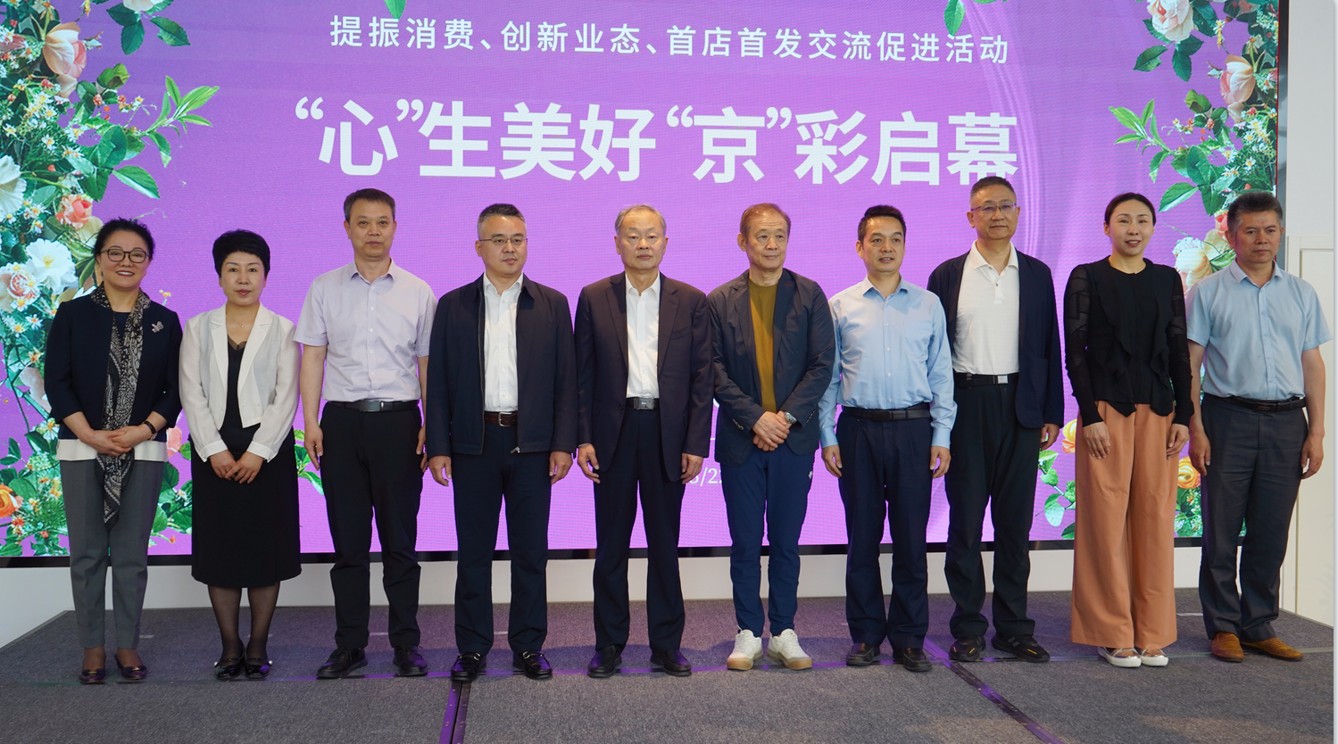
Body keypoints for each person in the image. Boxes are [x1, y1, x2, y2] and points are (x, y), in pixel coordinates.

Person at [426, 203, 577, 682]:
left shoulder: (552, 303)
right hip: (474, 444)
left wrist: (563, 443)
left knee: (531, 552)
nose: (509, 248)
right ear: (479, 248)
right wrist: (438, 445)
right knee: (474, 553)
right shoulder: (454, 305)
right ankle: (471, 648)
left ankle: (529, 645)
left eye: (517, 239)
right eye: (498, 240)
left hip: (532, 445)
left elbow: (566, 380)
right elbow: (438, 381)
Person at [296, 189, 435, 679]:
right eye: (363, 222)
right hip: (341, 423)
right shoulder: (324, 288)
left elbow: (426, 364)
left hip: (400, 424)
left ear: (395, 226)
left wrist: (431, 424)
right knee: (349, 545)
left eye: (382, 222)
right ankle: (349, 645)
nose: (373, 231)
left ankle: (406, 644)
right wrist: (310, 421)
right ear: (347, 228)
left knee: (401, 543)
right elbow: (313, 357)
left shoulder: (418, 291)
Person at [926, 176, 1063, 664]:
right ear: (971, 217)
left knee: (1014, 526)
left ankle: (1014, 628)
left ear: (1019, 213)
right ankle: (967, 627)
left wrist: (1051, 411)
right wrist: (937, 421)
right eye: (987, 207)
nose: (997, 215)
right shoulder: (947, 275)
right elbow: (934, 354)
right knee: (964, 525)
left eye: (1006, 206)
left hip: (1021, 409)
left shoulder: (1038, 274)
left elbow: (1049, 345)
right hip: (966, 406)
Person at [1188, 192, 1329, 663]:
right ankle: (1223, 626)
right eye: (1250, 231)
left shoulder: (1301, 293)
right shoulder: (1208, 292)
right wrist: (1196, 426)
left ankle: (1258, 623)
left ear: (1281, 233)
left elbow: (1312, 363)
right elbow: (1190, 364)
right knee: (1222, 529)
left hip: (1288, 422)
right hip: (1227, 418)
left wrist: (1316, 431)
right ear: (1231, 236)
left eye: (1269, 230)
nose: (1261, 239)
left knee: (1271, 530)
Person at [575, 205, 713, 679]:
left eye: (652, 235)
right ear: (617, 243)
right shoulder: (594, 297)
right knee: (611, 545)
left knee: (664, 545)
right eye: (633, 235)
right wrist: (583, 438)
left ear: (665, 243)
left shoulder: (690, 300)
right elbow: (582, 376)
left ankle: (666, 645)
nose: (643, 244)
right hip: (612, 435)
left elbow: (702, 380)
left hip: (666, 434)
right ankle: (609, 644)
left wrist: (696, 442)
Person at [45, 218, 182, 684]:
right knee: (86, 554)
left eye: (137, 254)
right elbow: (56, 382)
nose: (126, 262)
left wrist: (143, 430)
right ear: (100, 260)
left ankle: (127, 644)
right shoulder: (73, 315)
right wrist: (90, 434)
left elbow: (174, 390)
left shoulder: (165, 322)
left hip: (142, 450)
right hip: (81, 447)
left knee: (131, 555)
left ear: (148, 262)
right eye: (116, 253)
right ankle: (92, 648)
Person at [819, 205, 955, 673]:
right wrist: (826, 433)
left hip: (915, 429)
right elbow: (829, 378)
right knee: (862, 537)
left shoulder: (928, 304)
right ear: (860, 247)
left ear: (905, 245)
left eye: (895, 238)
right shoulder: (840, 305)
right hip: (857, 430)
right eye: (876, 239)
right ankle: (865, 635)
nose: (887, 247)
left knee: (911, 539)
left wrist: (942, 434)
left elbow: (941, 373)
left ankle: (910, 638)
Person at [1064, 192, 1191, 668]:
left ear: (1153, 228)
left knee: (1155, 520)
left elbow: (1178, 350)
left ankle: (1152, 632)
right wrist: (1090, 416)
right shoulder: (1087, 277)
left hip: (1159, 413)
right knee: (1104, 521)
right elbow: (1075, 352)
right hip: (1106, 412)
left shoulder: (1166, 279)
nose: (1133, 229)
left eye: (1141, 220)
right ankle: (1112, 632)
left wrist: (1184, 415)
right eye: (1123, 220)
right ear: (1106, 227)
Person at [708, 203, 834, 671]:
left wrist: (783, 419)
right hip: (742, 441)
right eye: (762, 236)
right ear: (743, 241)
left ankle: (783, 632)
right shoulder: (720, 300)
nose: (772, 244)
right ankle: (747, 632)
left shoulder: (809, 294)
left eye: (779, 235)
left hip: (792, 441)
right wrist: (755, 418)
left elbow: (822, 364)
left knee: (785, 542)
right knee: (744, 542)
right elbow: (713, 369)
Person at [179, 230, 300, 680]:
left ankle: (258, 646)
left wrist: (257, 453)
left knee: (265, 554)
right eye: (233, 269)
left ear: (266, 276)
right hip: (213, 453)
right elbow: (191, 392)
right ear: (219, 276)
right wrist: (213, 450)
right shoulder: (197, 327)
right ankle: (229, 647)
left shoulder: (284, 329)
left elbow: (286, 398)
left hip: (267, 454)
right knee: (221, 552)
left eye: (252, 269)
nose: (243, 278)